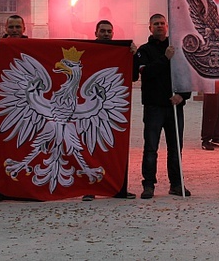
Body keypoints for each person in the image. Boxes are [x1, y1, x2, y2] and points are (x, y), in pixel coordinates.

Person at [135, 13, 191, 199]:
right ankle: (149, 185)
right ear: (150, 28)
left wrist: (183, 96)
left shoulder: (176, 49)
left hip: (174, 106)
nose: (159, 26)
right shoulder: (144, 50)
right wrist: (165, 59)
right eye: (155, 24)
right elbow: (146, 73)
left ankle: (176, 184)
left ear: (167, 26)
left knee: (176, 148)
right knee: (151, 148)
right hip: (154, 107)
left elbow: (186, 75)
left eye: (162, 23)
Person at [82, 19, 137, 201]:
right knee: (89, 147)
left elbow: (133, 76)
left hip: (111, 108)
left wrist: (133, 56)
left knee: (114, 150)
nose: (106, 34)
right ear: (96, 32)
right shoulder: (87, 51)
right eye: (103, 31)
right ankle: (89, 187)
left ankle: (116, 187)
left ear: (113, 34)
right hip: (89, 109)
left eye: (109, 31)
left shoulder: (119, 52)